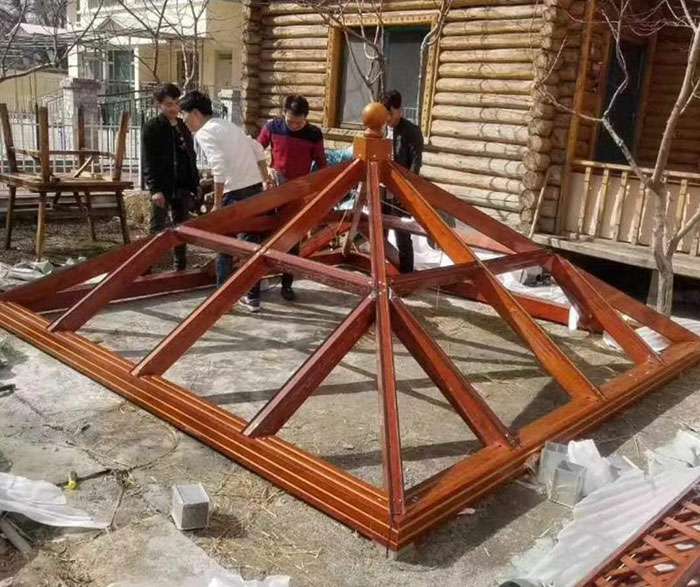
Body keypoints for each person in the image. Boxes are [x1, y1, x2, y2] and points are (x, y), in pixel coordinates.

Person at [179, 90, 271, 313]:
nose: (184, 120)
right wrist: (265, 179)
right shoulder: (228, 125)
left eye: (185, 115)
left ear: (196, 113)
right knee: (250, 246)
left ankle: (222, 297)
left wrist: (217, 203)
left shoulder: (204, 133)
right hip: (254, 189)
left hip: (234, 194)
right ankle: (253, 298)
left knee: (224, 246)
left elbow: (218, 167)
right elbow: (257, 149)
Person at [257, 94, 326, 301]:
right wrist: (265, 173)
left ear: (306, 118)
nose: (294, 126)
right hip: (274, 185)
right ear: (283, 114)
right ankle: (258, 279)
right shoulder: (273, 127)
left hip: (298, 189)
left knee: (292, 238)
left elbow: (321, 164)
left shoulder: (313, 134)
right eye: (290, 121)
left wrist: (314, 189)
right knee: (265, 231)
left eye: (299, 122)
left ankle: (287, 284)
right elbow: (256, 150)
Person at [142, 83, 200, 271]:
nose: (174, 108)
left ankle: (180, 267)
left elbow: (191, 155)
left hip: (182, 185)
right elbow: (148, 160)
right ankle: (144, 269)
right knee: (157, 228)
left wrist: (195, 182)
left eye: (176, 103)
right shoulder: (152, 127)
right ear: (158, 105)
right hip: (163, 186)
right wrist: (155, 189)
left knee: (181, 228)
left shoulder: (183, 126)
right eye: (168, 104)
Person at [381, 89, 424, 274]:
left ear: (399, 110)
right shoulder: (381, 128)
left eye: (390, 113)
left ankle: (406, 275)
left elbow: (415, 165)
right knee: (378, 231)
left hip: (400, 190)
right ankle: (381, 271)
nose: (387, 118)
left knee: (402, 233)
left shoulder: (411, 132)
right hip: (381, 188)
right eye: (385, 114)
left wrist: (406, 191)